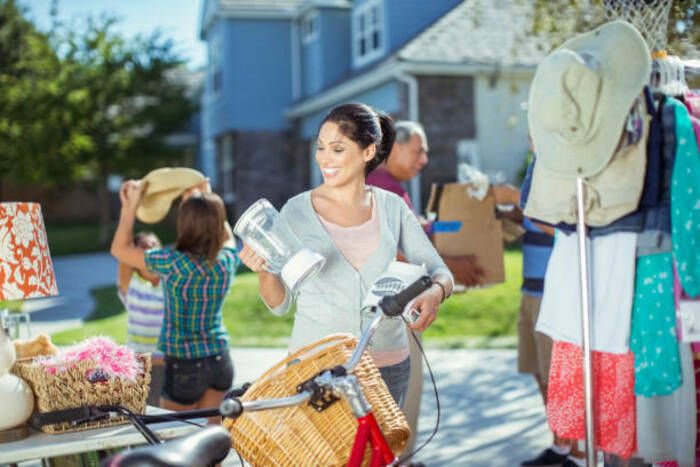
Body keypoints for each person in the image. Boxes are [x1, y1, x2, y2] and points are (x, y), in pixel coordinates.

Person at [239, 103, 454, 407]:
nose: (324, 158)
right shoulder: (296, 211)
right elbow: (279, 304)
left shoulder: (392, 206)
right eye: (321, 148)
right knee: (322, 457)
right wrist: (264, 269)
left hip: (387, 366)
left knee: (380, 455)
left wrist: (435, 292)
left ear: (368, 152)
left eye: (337, 149)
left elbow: (440, 270)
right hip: (314, 369)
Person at [366, 120, 483, 453]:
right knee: (400, 395)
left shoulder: (389, 186)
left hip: (396, 309)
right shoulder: (383, 187)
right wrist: (450, 267)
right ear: (396, 148)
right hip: (393, 313)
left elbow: (416, 232)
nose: (424, 160)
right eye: (419, 151)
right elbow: (399, 248)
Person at [110, 179, 239, 422]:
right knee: (212, 440)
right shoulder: (226, 261)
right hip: (220, 360)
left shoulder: (172, 262)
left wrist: (130, 205)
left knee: (173, 439)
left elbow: (120, 249)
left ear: (184, 224)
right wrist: (207, 199)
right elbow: (226, 235)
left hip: (184, 366)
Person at [493, 162, 576, 466]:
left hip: (554, 293)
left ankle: (577, 452)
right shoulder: (537, 165)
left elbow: (569, 230)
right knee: (540, 373)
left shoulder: (567, 164)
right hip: (530, 289)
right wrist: (508, 213)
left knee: (559, 376)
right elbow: (531, 220)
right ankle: (561, 445)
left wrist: (519, 201)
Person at [116, 231, 165, 406]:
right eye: (143, 247)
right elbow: (122, 247)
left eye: (154, 246)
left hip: (167, 365)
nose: (150, 251)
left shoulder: (172, 282)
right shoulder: (130, 283)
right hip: (138, 367)